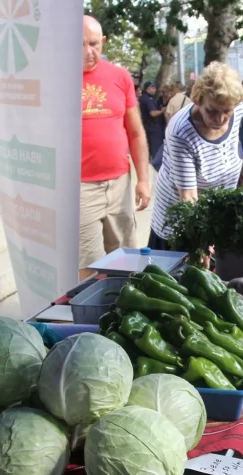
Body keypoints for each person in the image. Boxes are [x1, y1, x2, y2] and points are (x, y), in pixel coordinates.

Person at [148, 62, 243, 250]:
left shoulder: (237, 109)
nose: (220, 120)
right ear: (198, 100)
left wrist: (241, 161)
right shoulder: (181, 132)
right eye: (212, 111)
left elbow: (237, 142)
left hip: (218, 214)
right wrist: (200, 243)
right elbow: (188, 198)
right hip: (179, 224)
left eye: (226, 111)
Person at [80, 16, 150, 280]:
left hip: (119, 182)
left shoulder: (119, 76)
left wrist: (143, 180)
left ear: (104, 42)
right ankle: (90, 316)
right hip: (80, 187)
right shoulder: (58, 80)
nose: (89, 52)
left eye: (94, 44)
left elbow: (135, 132)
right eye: (81, 44)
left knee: (124, 257)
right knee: (86, 263)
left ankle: (124, 314)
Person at [139, 81, 167, 158]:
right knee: (156, 148)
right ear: (148, 89)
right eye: (153, 88)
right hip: (153, 127)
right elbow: (153, 113)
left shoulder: (143, 98)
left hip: (148, 125)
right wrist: (163, 110)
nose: (155, 90)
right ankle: (156, 165)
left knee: (151, 147)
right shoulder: (148, 99)